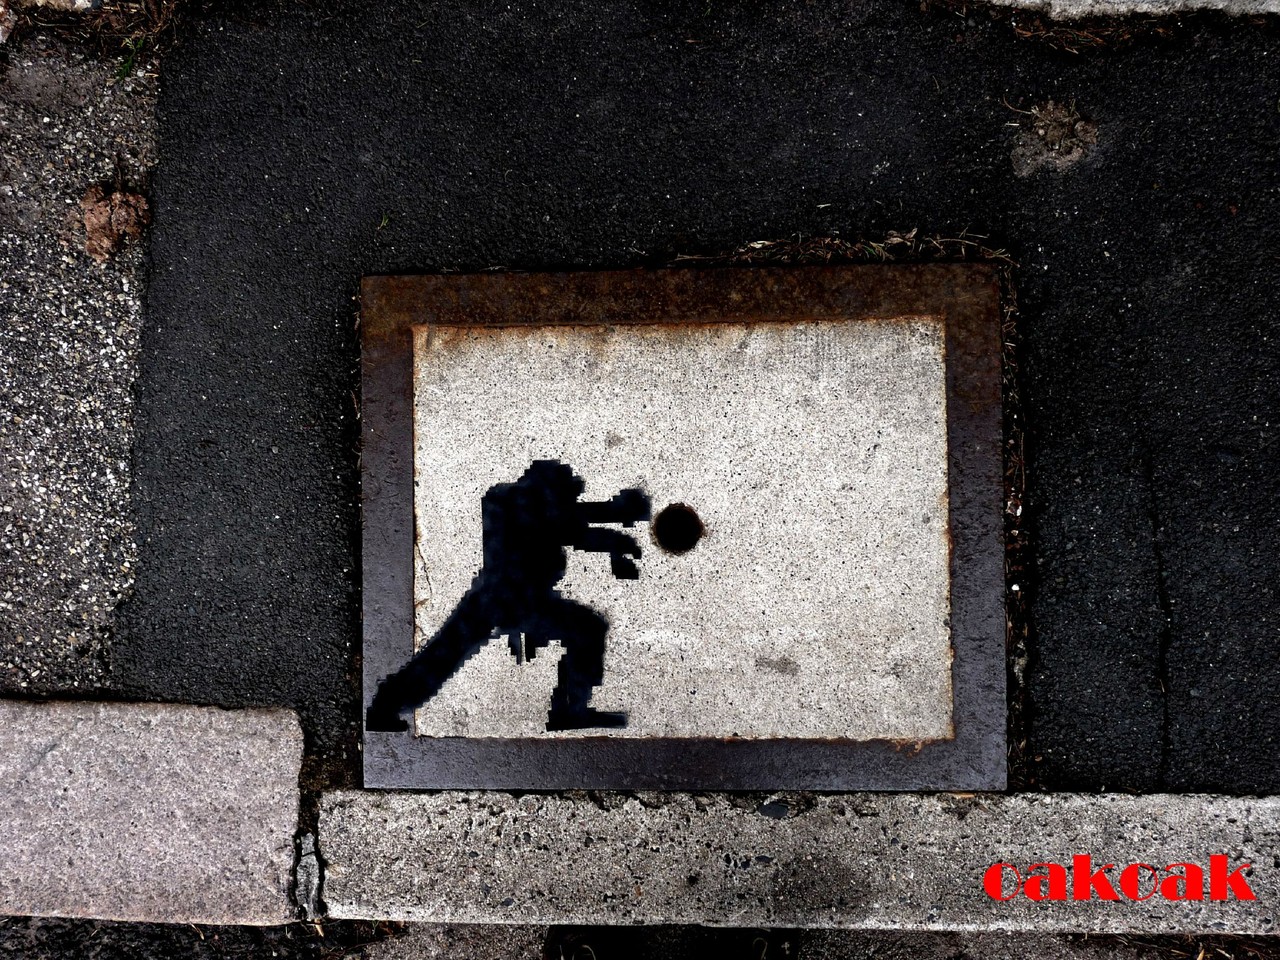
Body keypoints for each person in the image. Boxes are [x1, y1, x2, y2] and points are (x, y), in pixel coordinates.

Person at [365, 459, 650, 733]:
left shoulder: (520, 502)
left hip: (500, 597)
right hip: (515, 600)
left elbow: (572, 520)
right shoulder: (527, 505)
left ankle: (386, 704)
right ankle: (570, 710)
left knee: (444, 653)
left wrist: (616, 523)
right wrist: (619, 527)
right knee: (587, 629)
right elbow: (573, 526)